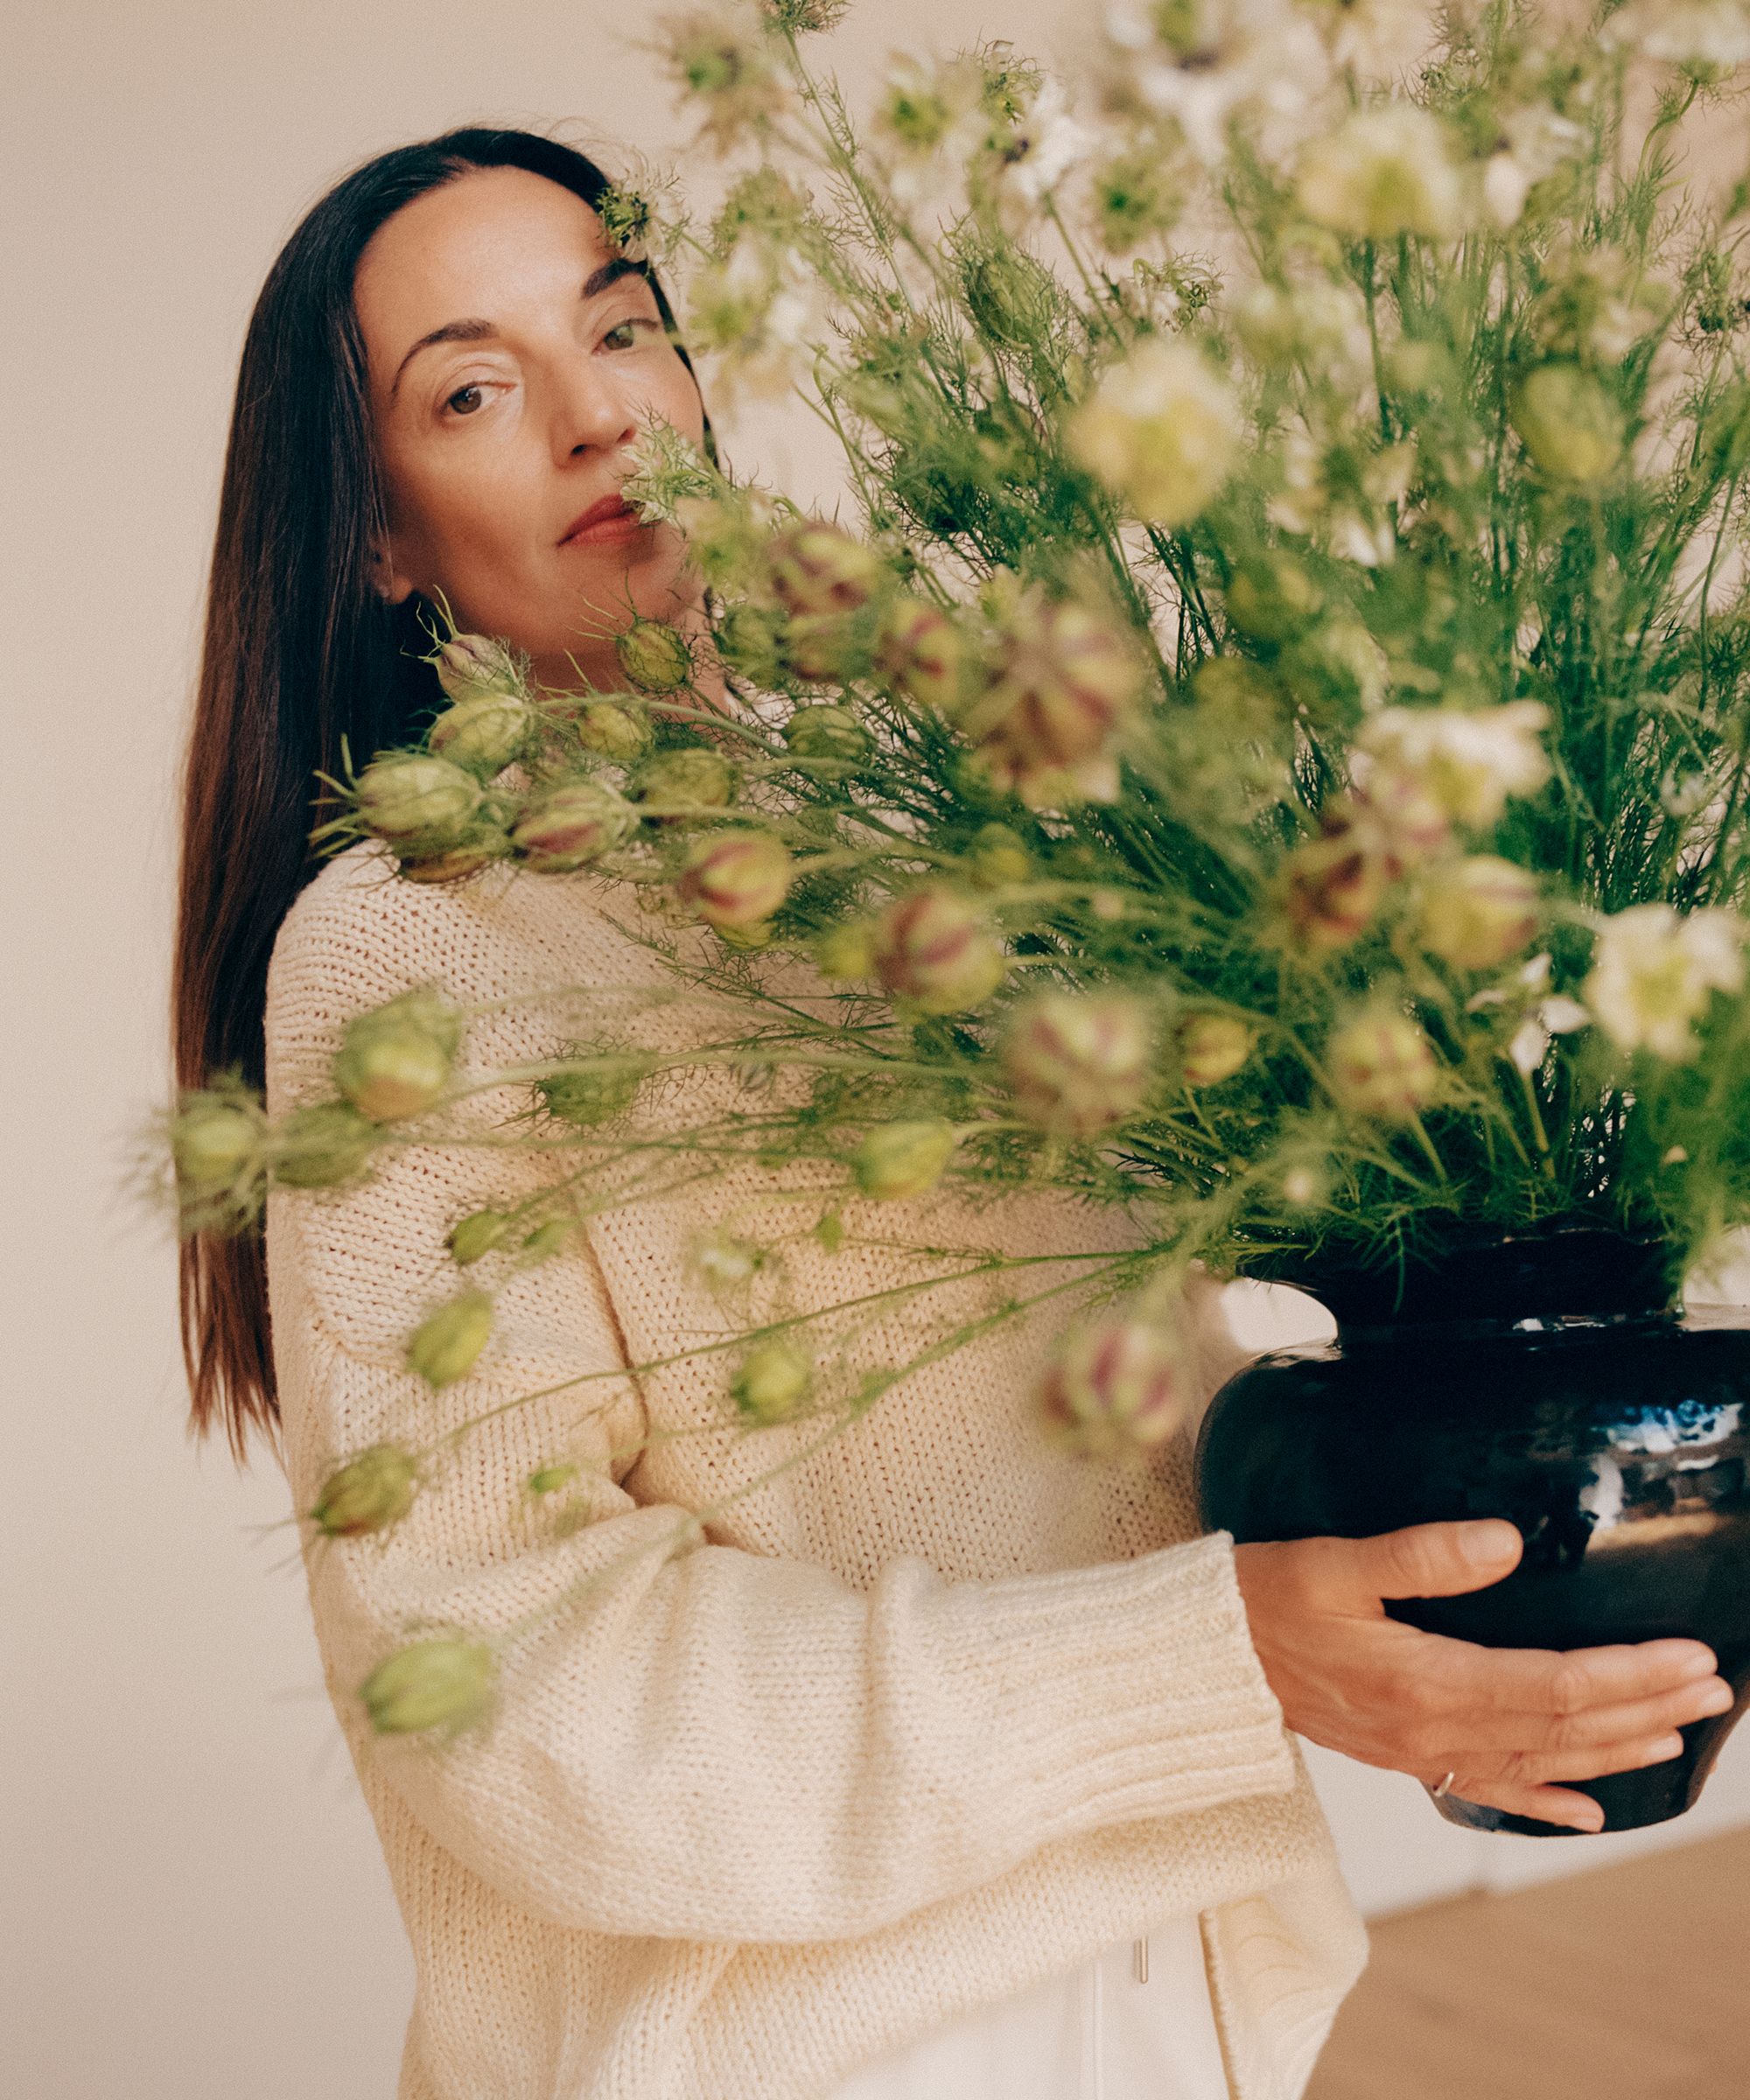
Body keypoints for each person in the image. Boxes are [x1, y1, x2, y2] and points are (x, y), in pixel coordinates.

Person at [173, 129, 1732, 2100]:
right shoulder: (413, 958)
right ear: (377, 531)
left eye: (624, 328)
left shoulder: (925, 862)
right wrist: (1217, 1655)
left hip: (1191, 1998)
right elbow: (514, 1690)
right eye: (473, 389)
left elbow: (1116, 1441)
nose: (595, 420)